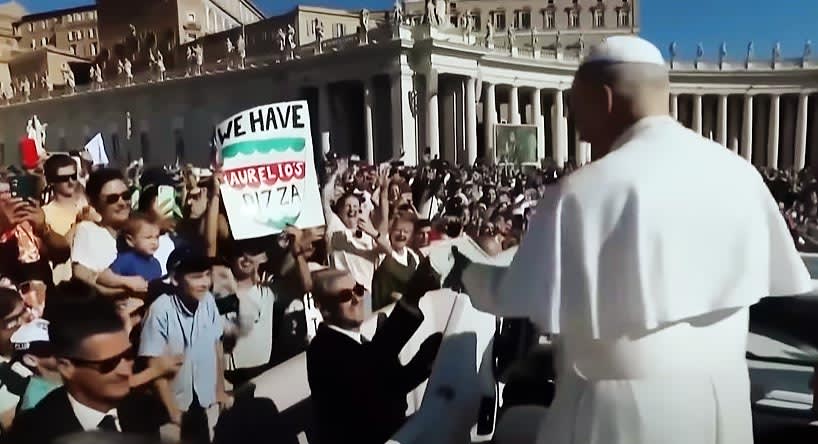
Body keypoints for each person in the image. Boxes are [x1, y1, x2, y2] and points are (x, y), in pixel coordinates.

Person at [446, 36, 814, 444]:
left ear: (604, 99)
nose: (577, 129)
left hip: (619, 416)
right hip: (723, 411)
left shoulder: (580, 192)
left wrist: (467, 273)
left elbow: (515, 296)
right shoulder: (741, 175)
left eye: (575, 108)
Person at [306, 260, 442, 444]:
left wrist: (426, 361)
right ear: (324, 308)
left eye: (359, 290)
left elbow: (389, 382)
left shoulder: (359, 344)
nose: (357, 299)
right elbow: (373, 373)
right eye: (345, 296)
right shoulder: (324, 350)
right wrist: (411, 297)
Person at [8, 296, 161, 444]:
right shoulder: (33, 434)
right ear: (67, 367)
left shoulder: (144, 410)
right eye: (109, 364)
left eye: (128, 356)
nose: (125, 371)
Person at [139, 248, 231, 444]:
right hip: (174, 410)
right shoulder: (159, 312)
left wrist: (220, 390)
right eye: (197, 277)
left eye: (207, 275)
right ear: (175, 279)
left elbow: (217, 345)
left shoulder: (208, 302)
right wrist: (173, 413)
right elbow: (154, 368)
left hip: (206, 402)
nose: (205, 282)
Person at [110, 214, 162, 283]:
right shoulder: (125, 261)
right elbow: (110, 280)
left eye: (157, 237)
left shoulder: (156, 264)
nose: (154, 242)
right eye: (148, 237)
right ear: (130, 240)